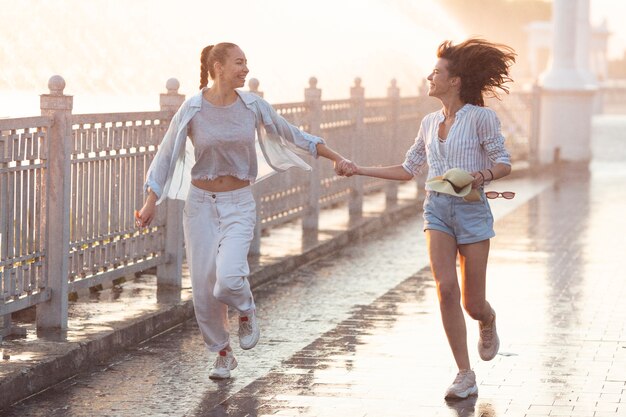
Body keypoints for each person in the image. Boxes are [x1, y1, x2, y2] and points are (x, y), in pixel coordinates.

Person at [136, 42, 351, 380]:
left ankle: (246, 310)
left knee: (228, 279)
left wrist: (336, 157)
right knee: (205, 288)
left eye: (246, 62)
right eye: (239, 62)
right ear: (217, 67)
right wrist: (151, 199)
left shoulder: (252, 106)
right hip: (200, 206)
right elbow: (165, 155)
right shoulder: (192, 108)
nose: (246, 68)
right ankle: (222, 353)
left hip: (238, 203)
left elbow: (293, 135)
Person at [339, 38, 515, 399]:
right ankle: (465, 374)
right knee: (446, 289)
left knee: (472, 302)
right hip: (436, 209)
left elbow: (503, 163)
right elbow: (408, 169)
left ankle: (488, 319)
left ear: (456, 81)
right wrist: (358, 170)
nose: (429, 77)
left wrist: (479, 177)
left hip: (471, 209)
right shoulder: (428, 122)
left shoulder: (482, 118)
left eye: (436, 72)